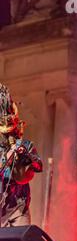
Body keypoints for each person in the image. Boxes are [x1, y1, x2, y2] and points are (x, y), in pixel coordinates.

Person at [0, 83, 42, 227]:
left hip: (20, 208)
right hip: (1, 208)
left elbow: (39, 166)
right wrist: (7, 158)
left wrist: (28, 157)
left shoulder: (25, 145)